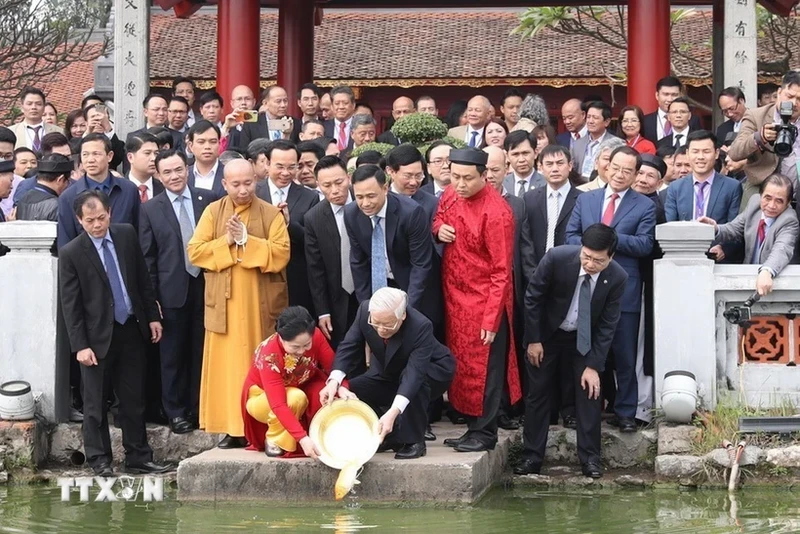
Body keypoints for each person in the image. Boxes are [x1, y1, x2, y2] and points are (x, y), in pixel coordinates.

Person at [58, 190, 169, 476]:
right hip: (95, 338)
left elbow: (143, 280)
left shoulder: (126, 235)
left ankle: (138, 457)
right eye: (91, 220)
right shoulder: (72, 253)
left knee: (133, 399)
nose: (98, 225)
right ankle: (100, 460)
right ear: (79, 220)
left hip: (130, 327)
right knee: (95, 404)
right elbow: (71, 305)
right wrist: (80, 345)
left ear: (110, 212)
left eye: (102, 217)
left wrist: (153, 317)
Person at [187, 159, 291, 448]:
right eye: (236, 184)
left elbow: (282, 253)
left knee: (259, 365)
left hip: (259, 304)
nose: (243, 190)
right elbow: (195, 251)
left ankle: (264, 427)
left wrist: (248, 242)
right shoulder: (213, 211)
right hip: (224, 305)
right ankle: (232, 428)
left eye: (248, 183)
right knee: (227, 368)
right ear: (224, 184)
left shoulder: (271, 213)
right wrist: (230, 243)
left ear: (256, 180)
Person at [515, 224, 628, 478]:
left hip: (584, 338)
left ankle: (590, 460)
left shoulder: (618, 277)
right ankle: (531, 457)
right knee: (538, 395)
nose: (589, 264)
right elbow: (533, 297)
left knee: (590, 394)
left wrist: (593, 365)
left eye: (598, 260)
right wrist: (533, 340)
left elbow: (609, 324)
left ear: (610, 257)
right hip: (548, 335)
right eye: (586, 256)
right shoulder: (557, 258)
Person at [433, 148, 521, 452]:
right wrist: (438, 228)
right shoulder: (450, 194)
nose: (459, 184)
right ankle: (471, 426)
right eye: (455, 176)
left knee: (487, 369)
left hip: (484, 301)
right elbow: (439, 217)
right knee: (463, 367)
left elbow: (502, 272)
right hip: (455, 298)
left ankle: (485, 432)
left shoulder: (497, 213)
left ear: (485, 175)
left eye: (467, 178)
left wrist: (491, 318)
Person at [565, 146, 656, 433]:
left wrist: (609, 240)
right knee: (586, 350)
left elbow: (644, 245)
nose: (619, 174)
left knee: (625, 353)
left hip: (624, 288)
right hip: (585, 285)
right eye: (615, 167)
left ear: (635, 174)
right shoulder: (586, 199)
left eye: (627, 171)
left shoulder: (645, 205)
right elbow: (570, 235)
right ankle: (585, 409)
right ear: (606, 166)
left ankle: (626, 411)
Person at [320, 288, 455, 460]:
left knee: (414, 383)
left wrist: (393, 412)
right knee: (352, 389)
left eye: (388, 324)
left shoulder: (420, 326)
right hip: (389, 370)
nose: (381, 329)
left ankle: (414, 441)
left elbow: (414, 375)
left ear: (402, 316)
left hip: (431, 370)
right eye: (376, 323)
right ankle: (390, 435)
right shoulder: (364, 311)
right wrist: (334, 382)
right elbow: (349, 347)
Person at [139, 149, 216, 434]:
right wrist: (152, 301)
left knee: (201, 351)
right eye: (167, 172)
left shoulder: (208, 200)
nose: (175, 176)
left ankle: (200, 408)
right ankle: (176, 412)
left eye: (179, 169)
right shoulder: (150, 209)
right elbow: (147, 259)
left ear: (188, 169)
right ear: (158, 175)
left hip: (206, 288)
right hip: (170, 293)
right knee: (172, 355)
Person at [345, 164, 434, 321]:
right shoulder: (352, 214)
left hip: (409, 287)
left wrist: (407, 311)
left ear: (385, 188)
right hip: (378, 287)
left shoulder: (411, 213)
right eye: (359, 197)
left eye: (371, 196)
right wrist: (367, 307)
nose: (365, 203)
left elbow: (420, 265)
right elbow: (358, 263)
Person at [484, 144, 533, 430]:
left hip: (509, 289)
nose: (490, 175)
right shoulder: (467, 201)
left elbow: (524, 249)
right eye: (486, 169)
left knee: (509, 352)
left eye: (495, 169)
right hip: (480, 292)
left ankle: (507, 406)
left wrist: (529, 288)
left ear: (507, 170)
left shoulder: (517, 204)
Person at [242, 306, 334, 457]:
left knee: (327, 392)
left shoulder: (315, 335)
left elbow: (333, 368)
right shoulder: (270, 356)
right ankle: (274, 439)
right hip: (263, 398)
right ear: (281, 337)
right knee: (295, 398)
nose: (302, 351)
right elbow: (278, 404)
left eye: (306, 345)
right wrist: (303, 439)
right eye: (295, 347)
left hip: (300, 384)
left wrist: (341, 386)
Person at [699, 174, 798, 296]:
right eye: (767, 198)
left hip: (774, 285)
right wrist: (715, 228)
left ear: (788, 203)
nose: (772, 205)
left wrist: (767, 271)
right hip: (747, 277)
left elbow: (782, 249)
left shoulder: (789, 220)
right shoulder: (754, 203)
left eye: (779, 201)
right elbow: (734, 229)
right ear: (760, 195)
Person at [255, 140, 321, 314]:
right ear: (267, 164)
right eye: (280, 166)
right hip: (258, 274)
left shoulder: (310, 197)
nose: (286, 173)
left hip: (294, 278)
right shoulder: (253, 192)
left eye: (292, 167)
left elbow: (312, 240)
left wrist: (289, 225)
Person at [304, 156, 359, 350]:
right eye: (327, 185)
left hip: (371, 292)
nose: (335, 190)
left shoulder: (366, 201)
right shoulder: (314, 218)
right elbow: (315, 269)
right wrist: (322, 312)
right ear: (318, 185)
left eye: (339, 182)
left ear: (349, 178)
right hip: (338, 300)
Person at [665, 130, 742, 263]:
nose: (700, 157)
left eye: (706, 151)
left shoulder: (732, 187)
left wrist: (724, 248)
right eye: (695, 152)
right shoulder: (675, 188)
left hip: (717, 260)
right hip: (683, 260)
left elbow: (736, 227)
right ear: (688, 154)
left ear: (716, 153)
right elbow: (671, 226)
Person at [729, 71, 800, 210]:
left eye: (799, 99)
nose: (794, 103)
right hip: (761, 193)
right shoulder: (756, 116)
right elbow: (735, 152)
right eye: (790, 96)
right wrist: (759, 138)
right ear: (779, 92)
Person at [57, 134, 141, 249]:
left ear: (109, 156)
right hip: (87, 263)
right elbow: (65, 244)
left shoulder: (129, 190)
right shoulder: (68, 197)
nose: (90, 160)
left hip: (124, 260)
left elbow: (138, 233)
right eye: (85, 155)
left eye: (96, 154)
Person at [642, 76, 703, 142]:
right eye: (666, 94)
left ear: (680, 95)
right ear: (657, 95)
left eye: (674, 95)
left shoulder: (693, 120)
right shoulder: (645, 121)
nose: (670, 99)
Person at [15, 154, 72, 222]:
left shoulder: (23, 199)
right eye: (68, 181)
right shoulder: (58, 206)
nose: (67, 185)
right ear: (60, 179)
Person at [573, 101, 615, 179]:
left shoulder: (616, 144)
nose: (590, 121)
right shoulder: (577, 144)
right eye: (588, 117)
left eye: (595, 118)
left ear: (607, 122)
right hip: (580, 186)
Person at [187, 120, 225, 197]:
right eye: (201, 142)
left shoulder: (229, 174)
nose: (207, 147)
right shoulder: (184, 176)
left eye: (213, 142)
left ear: (219, 144)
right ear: (191, 146)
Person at [503, 130, 545, 197]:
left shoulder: (547, 183)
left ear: (535, 153)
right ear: (507, 156)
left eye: (525, 153)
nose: (521, 160)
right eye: (515, 154)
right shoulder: (502, 185)